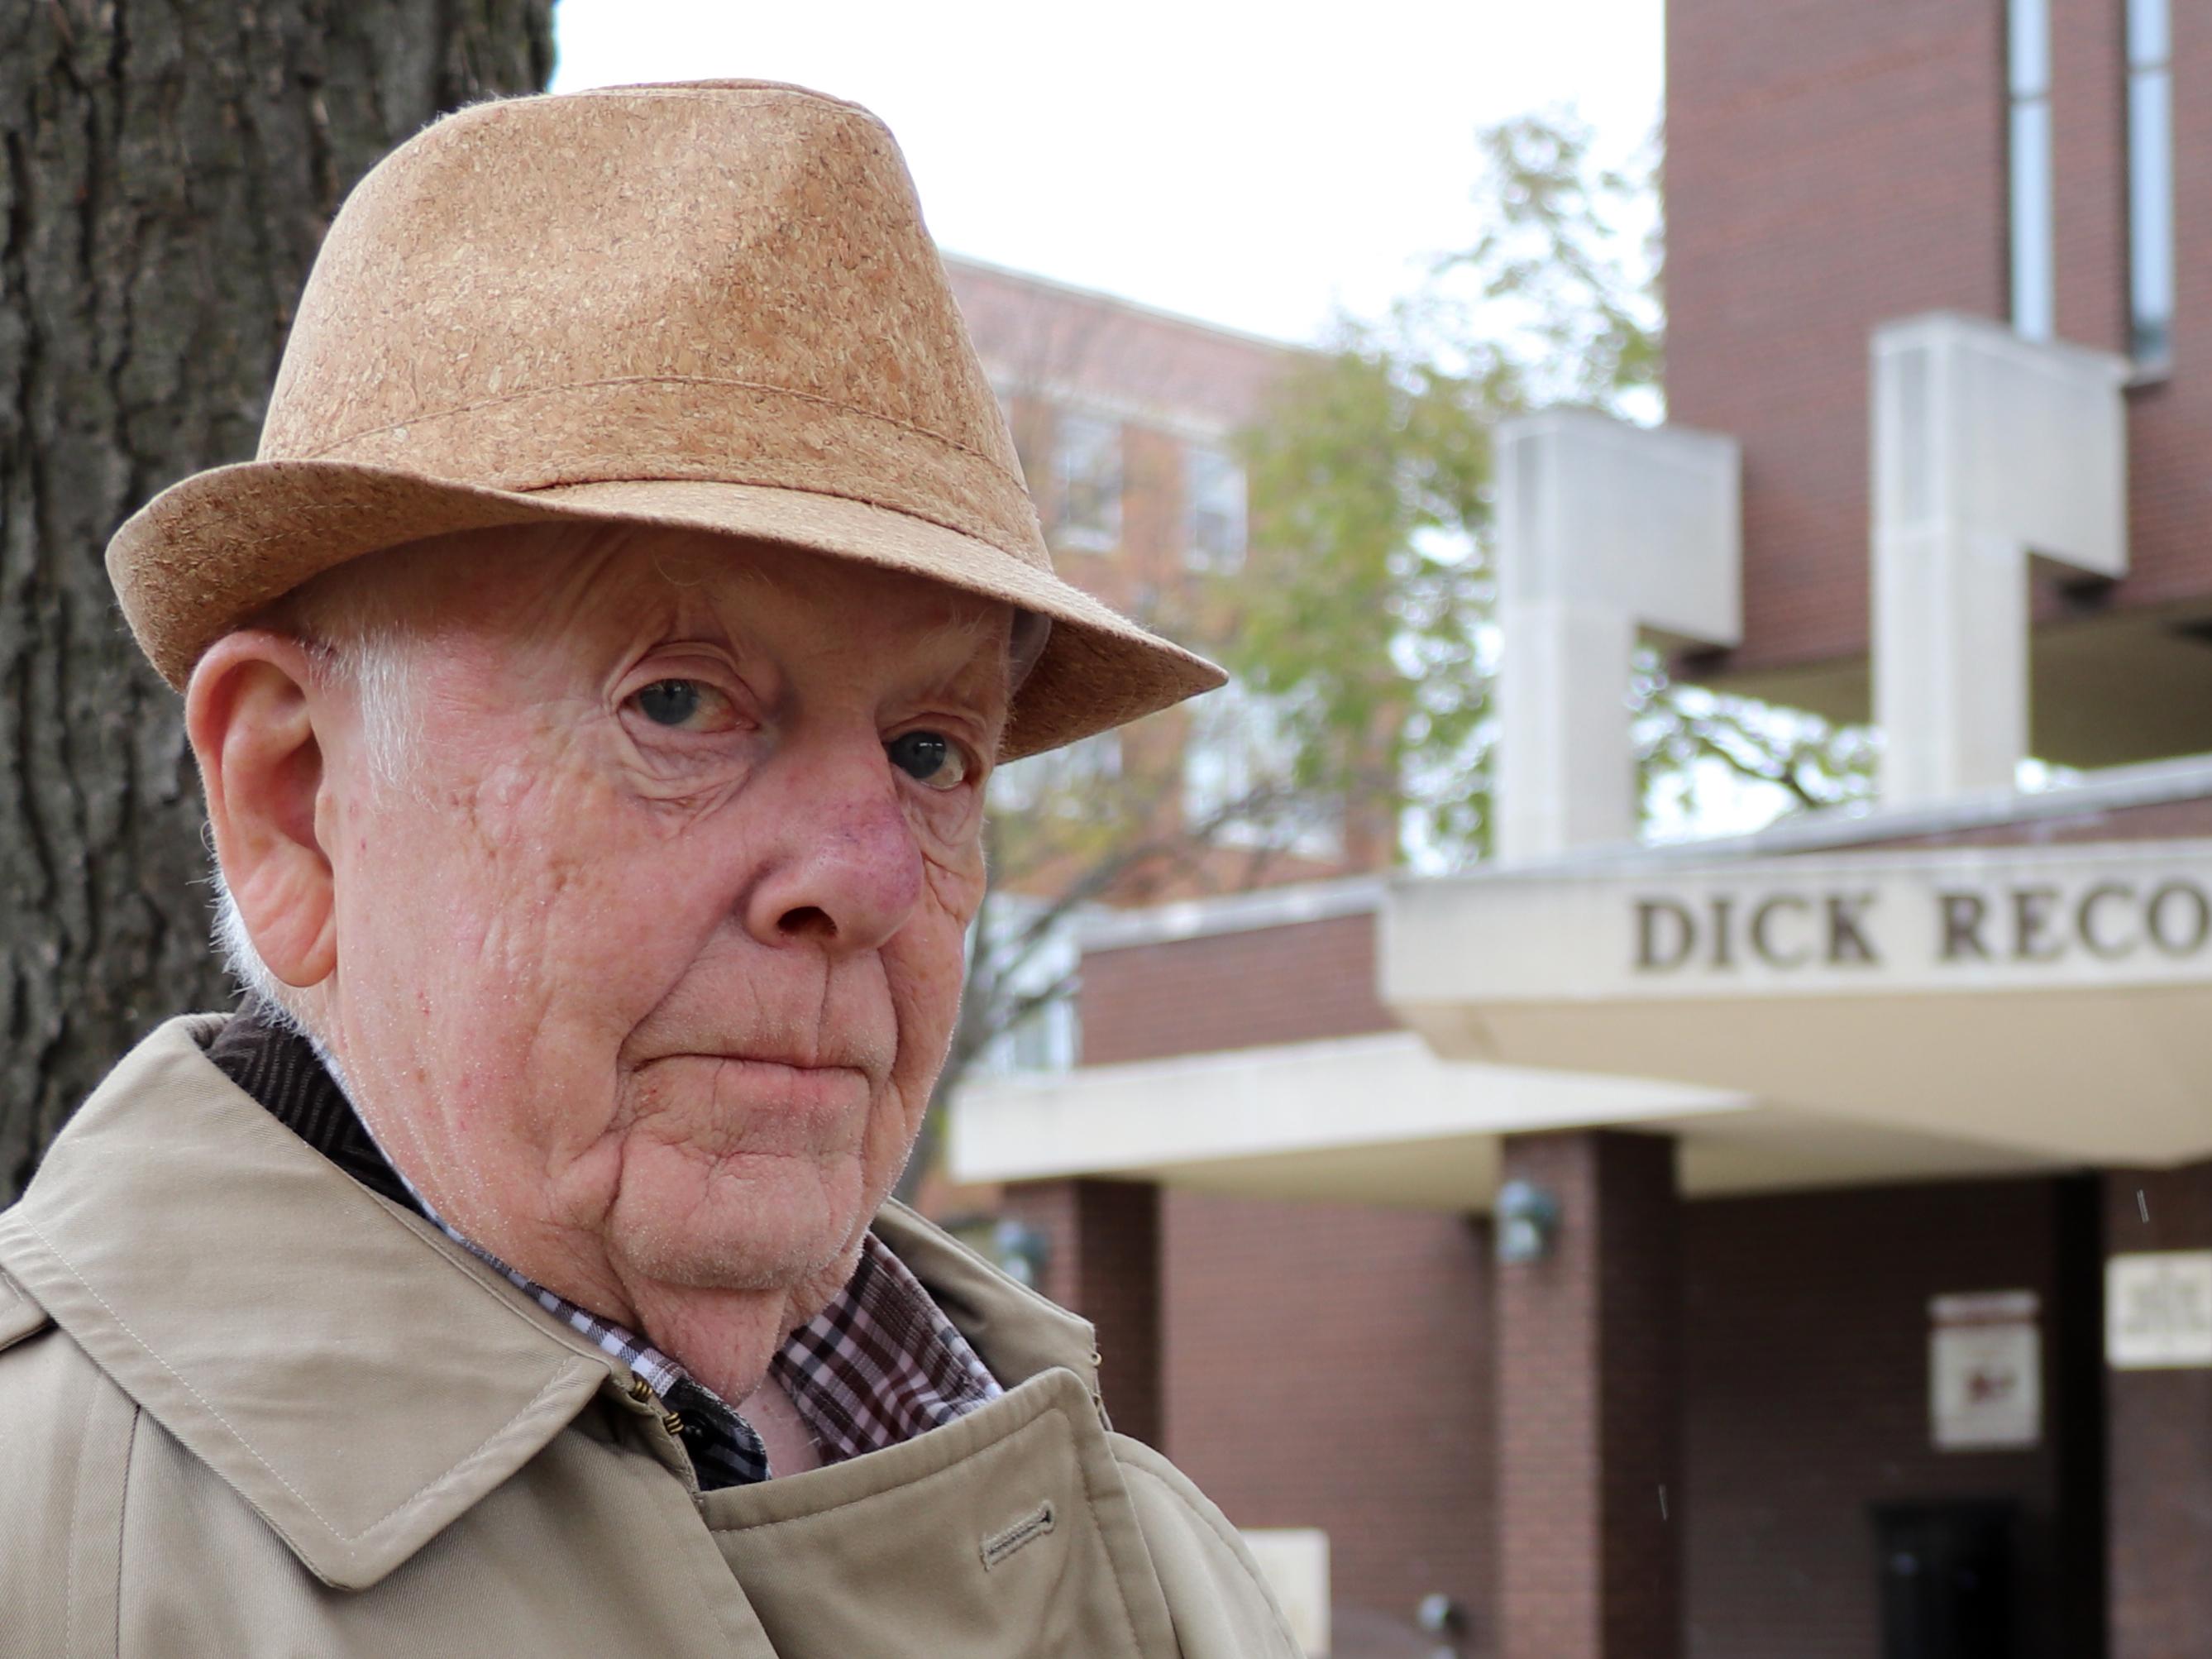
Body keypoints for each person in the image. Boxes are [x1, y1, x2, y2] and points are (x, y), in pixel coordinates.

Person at [0, 80, 1297, 1657]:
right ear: (296, 799)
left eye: (934, 749)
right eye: (677, 701)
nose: (867, 877)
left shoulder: (1165, 1568)